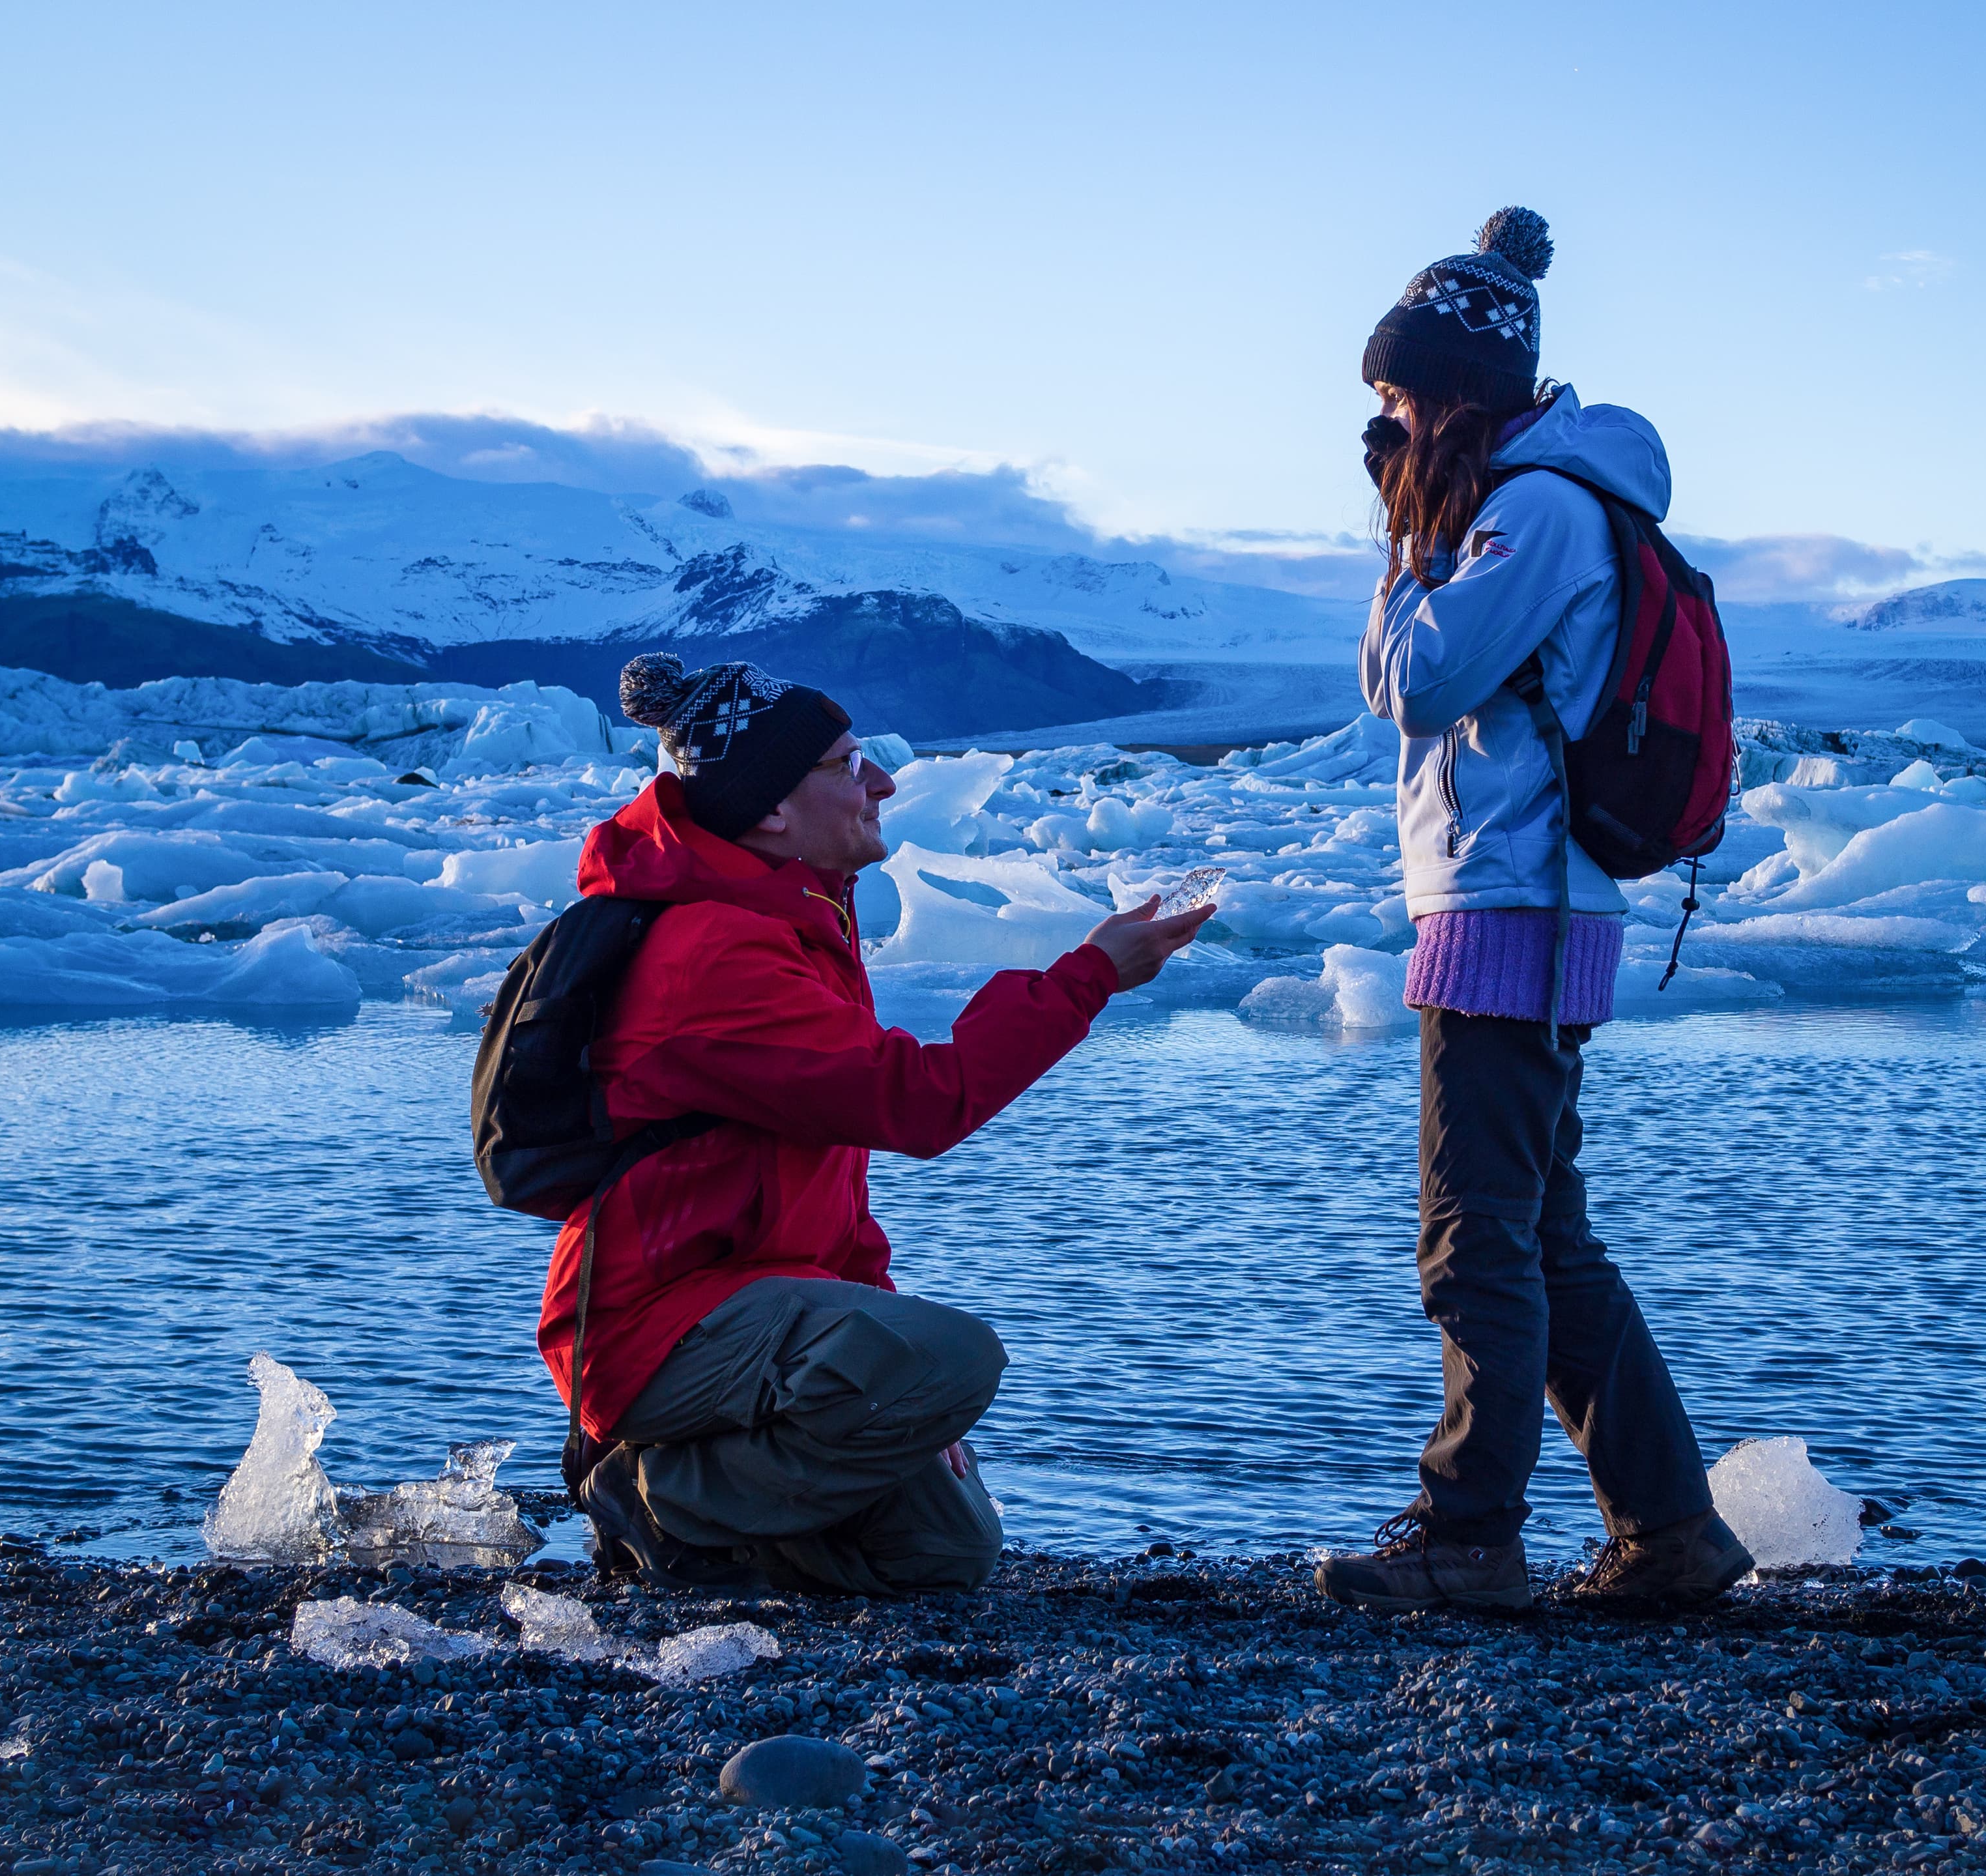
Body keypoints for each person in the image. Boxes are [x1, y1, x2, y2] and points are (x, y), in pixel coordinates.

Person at [550, 652, 1211, 1597]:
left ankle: (715, 1547)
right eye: (845, 762)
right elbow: (921, 1102)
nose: (884, 780)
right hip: (653, 1330)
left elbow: (825, 1192)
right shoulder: (718, 954)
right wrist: (1090, 975)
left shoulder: (793, 919)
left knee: (946, 1550)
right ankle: (655, 1495)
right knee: (953, 1359)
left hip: (750, 1304)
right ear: (772, 807)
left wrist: (893, 1383)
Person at [1313, 207, 1751, 1615]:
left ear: (1452, 393)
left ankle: (1468, 1534)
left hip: (1516, 909)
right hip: (1530, 906)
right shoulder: (1545, 498)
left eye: (1394, 397)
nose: (1380, 424)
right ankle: (1670, 1533)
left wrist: (1403, 545)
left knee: (1475, 1235)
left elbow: (1415, 682)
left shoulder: (1538, 510)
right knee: (1543, 1239)